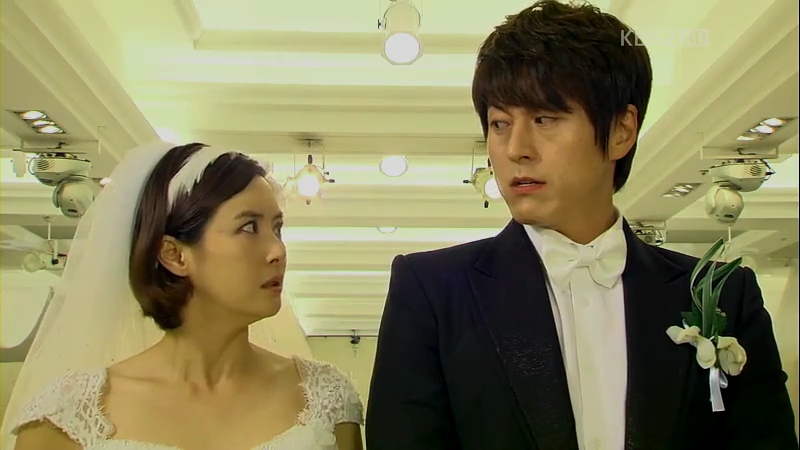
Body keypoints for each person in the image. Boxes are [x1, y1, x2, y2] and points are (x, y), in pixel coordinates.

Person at [365, 1, 797, 449]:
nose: (516, 148)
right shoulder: (433, 292)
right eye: (499, 123)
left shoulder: (722, 295)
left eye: (544, 118)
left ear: (621, 131)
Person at [5, 142, 364, 450]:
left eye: (277, 228)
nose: (277, 251)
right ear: (175, 255)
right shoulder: (63, 419)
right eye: (248, 227)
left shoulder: (327, 402)